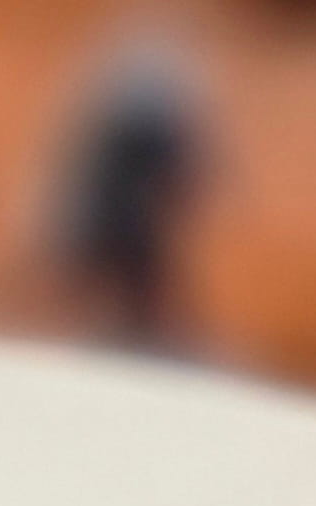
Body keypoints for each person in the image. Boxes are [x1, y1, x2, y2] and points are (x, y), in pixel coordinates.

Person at [47, 29, 208, 350]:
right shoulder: (145, 98)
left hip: (128, 222)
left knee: (135, 282)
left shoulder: (144, 97)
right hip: (120, 221)